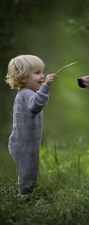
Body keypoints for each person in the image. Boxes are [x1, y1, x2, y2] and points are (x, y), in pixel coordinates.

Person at [5, 55, 56, 199]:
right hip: (23, 143)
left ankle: (27, 193)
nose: (42, 75)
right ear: (22, 77)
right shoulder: (26, 94)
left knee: (30, 168)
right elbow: (36, 106)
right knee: (28, 170)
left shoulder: (27, 93)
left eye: (42, 72)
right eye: (37, 73)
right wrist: (46, 86)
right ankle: (24, 195)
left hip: (27, 142)